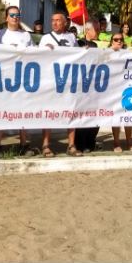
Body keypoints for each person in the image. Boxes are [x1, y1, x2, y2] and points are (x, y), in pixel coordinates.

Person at [0, 6, 35, 158]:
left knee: (22, 112)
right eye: (12, 15)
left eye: (17, 15)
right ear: (6, 18)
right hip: (4, 79)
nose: (15, 17)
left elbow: (34, 54)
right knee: (1, 112)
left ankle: (24, 144)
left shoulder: (26, 35)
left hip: (22, 79)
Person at [39, 11, 80, 157]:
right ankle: (45, 145)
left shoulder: (71, 37)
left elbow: (77, 56)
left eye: (58, 20)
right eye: (53, 20)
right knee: (49, 113)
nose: (55, 23)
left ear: (65, 22)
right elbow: (38, 59)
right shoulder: (45, 38)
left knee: (71, 111)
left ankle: (71, 145)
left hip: (68, 81)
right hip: (51, 81)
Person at [75, 20, 101, 153]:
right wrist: (80, 52)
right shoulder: (78, 43)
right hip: (80, 86)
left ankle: (91, 142)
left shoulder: (96, 45)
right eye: (96, 29)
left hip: (94, 86)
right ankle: (80, 143)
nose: (99, 31)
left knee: (94, 115)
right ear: (87, 31)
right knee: (81, 115)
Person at [109, 34, 132, 153]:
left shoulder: (128, 53)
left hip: (127, 87)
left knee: (128, 116)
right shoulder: (106, 53)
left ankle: (129, 141)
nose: (119, 41)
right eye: (116, 40)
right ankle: (116, 142)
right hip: (113, 89)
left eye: (121, 39)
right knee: (116, 117)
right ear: (111, 41)